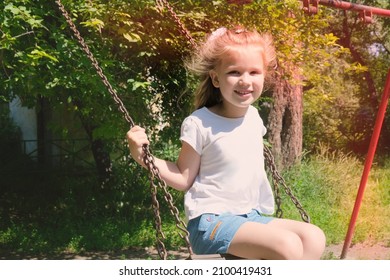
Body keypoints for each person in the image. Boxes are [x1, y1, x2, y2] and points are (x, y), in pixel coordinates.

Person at [126, 26, 326, 259]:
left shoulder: (253, 117)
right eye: (234, 72)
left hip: (250, 216)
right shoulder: (200, 123)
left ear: (264, 76)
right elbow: (183, 178)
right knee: (287, 245)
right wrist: (142, 156)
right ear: (216, 78)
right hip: (211, 222)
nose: (245, 81)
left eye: (254, 72)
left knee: (313, 237)